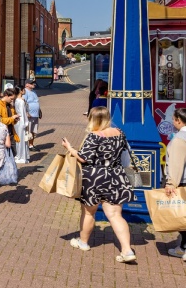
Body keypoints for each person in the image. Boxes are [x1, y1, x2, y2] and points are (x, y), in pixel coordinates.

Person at [62, 106, 136, 263]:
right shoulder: (120, 133)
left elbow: (83, 158)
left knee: (89, 212)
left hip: (95, 177)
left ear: (92, 119)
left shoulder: (94, 136)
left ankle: (83, 242)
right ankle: (127, 250)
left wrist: (70, 149)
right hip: (116, 176)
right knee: (115, 215)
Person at [163, 108, 186, 260]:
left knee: (182, 217)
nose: (172, 122)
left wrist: (171, 183)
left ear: (178, 120)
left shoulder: (180, 139)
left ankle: (183, 248)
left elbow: (177, 163)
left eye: (173, 119)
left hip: (183, 182)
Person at [0, 85, 20, 154]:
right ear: (6, 95)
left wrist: (15, 119)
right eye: (11, 99)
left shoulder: (9, 105)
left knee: (13, 154)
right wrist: (11, 118)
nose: (12, 101)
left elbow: (11, 118)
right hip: (3, 134)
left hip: (11, 133)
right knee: (5, 155)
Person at [14, 85, 30, 164]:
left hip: (17, 122)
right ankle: (22, 156)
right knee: (22, 139)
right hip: (22, 122)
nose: (25, 91)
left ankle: (20, 155)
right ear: (20, 91)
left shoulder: (17, 100)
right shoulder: (20, 101)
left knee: (19, 139)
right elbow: (23, 113)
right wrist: (25, 123)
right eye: (23, 89)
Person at [24, 80, 40, 150]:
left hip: (35, 115)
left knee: (33, 131)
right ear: (27, 84)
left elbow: (36, 102)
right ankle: (26, 146)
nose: (34, 84)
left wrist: (39, 111)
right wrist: (26, 112)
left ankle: (31, 145)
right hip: (29, 115)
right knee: (28, 131)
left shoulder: (34, 92)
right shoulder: (25, 92)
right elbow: (23, 103)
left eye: (34, 83)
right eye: (31, 83)